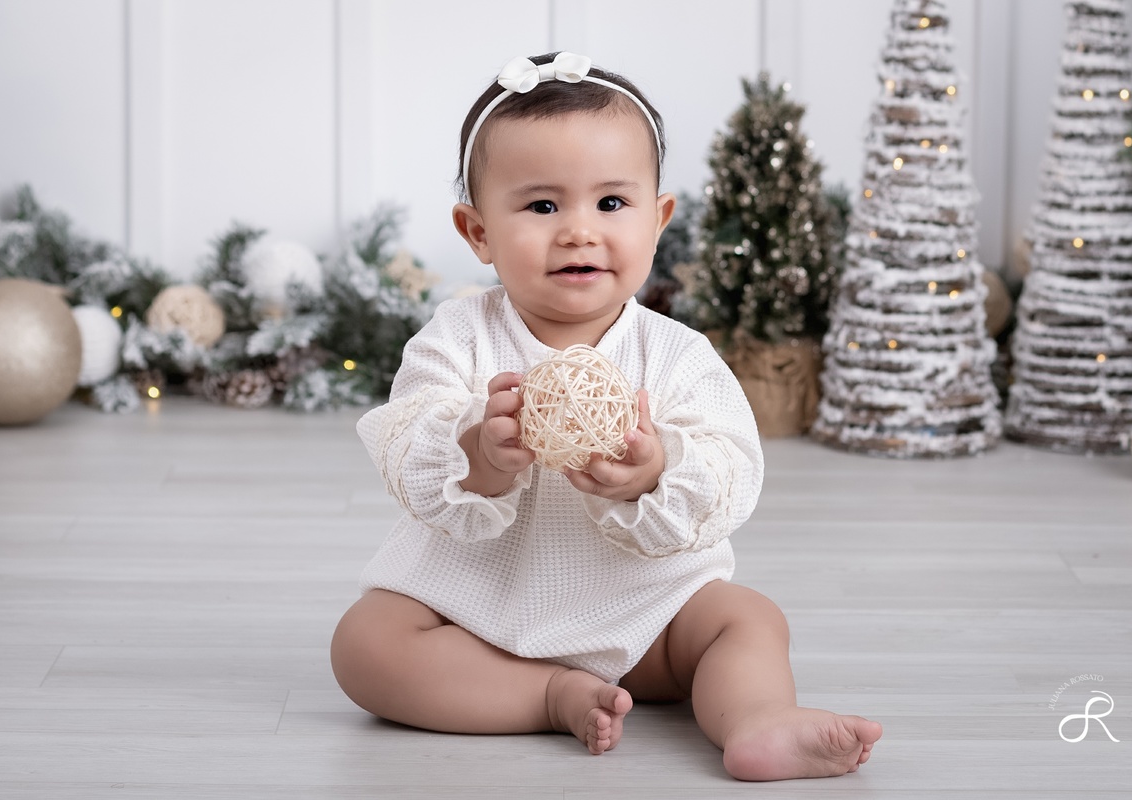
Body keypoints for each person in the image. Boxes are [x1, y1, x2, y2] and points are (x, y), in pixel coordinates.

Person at [330, 51, 882, 782]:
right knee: (366, 644)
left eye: (611, 204)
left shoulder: (677, 354)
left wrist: (657, 473)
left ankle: (756, 721)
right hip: (479, 617)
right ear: (477, 231)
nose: (579, 232)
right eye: (542, 206)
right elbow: (408, 444)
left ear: (658, 220)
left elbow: (730, 474)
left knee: (748, 619)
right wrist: (477, 452)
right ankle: (549, 696)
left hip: (647, 620)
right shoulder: (457, 339)